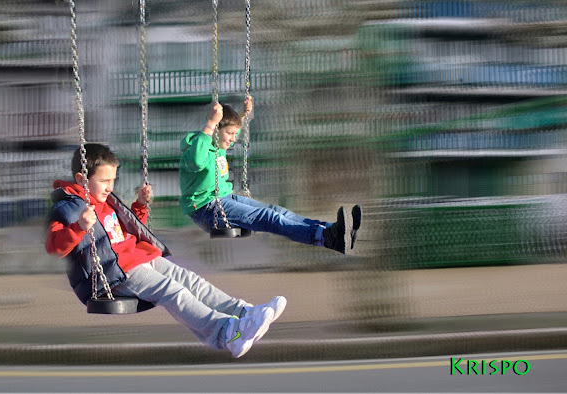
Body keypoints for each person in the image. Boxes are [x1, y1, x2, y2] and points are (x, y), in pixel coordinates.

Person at [45, 143, 286, 358]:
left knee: (191, 280)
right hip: (116, 273)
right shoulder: (68, 208)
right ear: (81, 179)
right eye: (104, 181)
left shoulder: (103, 199)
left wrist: (139, 206)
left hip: (138, 257)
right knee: (174, 292)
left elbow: (120, 231)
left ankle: (245, 313)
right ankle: (227, 334)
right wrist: (78, 228)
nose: (110, 186)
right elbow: (54, 247)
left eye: (113, 180)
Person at [179, 97, 362, 254]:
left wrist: (243, 115)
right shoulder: (198, 147)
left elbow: (228, 129)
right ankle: (324, 238)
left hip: (223, 198)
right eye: (230, 134)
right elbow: (196, 162)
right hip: (206, 208)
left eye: (235, 134)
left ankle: (334, 230)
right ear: (214, 130)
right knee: (268, 218)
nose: (233, 138)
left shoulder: (217, 142)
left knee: (278, 211)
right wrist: (210, 123)